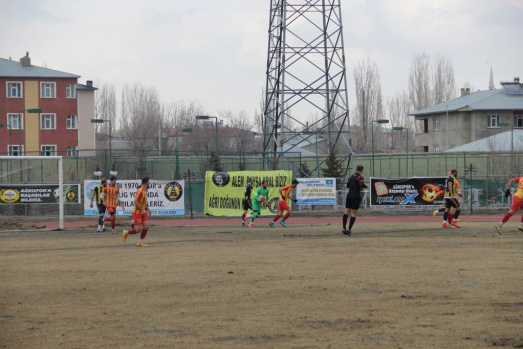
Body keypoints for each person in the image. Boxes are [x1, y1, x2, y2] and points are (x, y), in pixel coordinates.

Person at [123, 177, 152, 246]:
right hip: (137, 212)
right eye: (149, 182)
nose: (149, 183)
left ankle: (140, 241)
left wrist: (147, 209)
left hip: (143, 212)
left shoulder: (145, 191)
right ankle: (126, 232)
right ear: (147, 183)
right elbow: (135, 202)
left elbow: (143, 203)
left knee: (146, 227)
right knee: (138, 229)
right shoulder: (140, 191)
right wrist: (141, 210)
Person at [342, 165, 368, 236]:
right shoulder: (360, 177)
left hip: (349, 195)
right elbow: (361, 184)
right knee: (353, 214)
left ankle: (344, 228)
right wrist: (366, 186)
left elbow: (347, 185)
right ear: (362, 170)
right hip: (356, 196)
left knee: (346, 212)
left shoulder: (351, 176)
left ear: (356, 169)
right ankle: (349, 229)